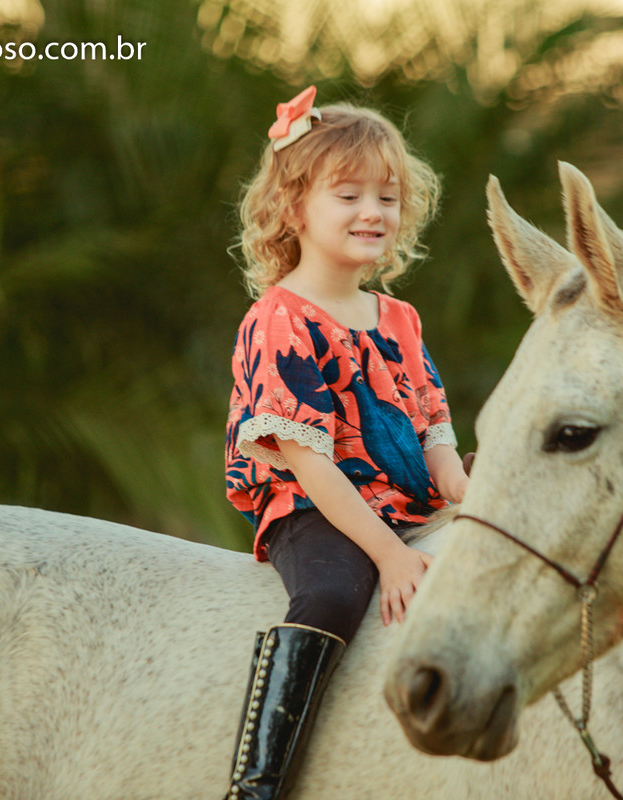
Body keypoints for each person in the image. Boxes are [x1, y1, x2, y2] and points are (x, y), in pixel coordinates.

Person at [222, 85, 471, 799]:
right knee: (332, 596)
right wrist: (390, 555)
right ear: (293, 206)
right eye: (349, 195)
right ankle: (259, 780)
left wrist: (469, 492)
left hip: (407, 500)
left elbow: (433, 431)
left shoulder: (399, 318)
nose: (373, 212)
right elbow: (311, 465)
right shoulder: (280, 321)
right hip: (315, 506)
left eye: (387, 198)